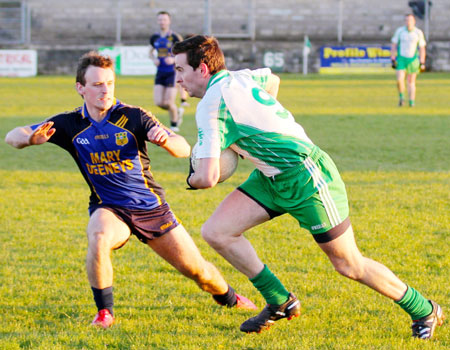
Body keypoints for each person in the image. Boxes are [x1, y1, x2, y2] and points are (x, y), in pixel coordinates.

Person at [172, 35, 444, 339]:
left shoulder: (210, 105)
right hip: (270, 175)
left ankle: (424, 308)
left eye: (181, 70)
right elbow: (271, 80)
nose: (178, 79)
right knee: (217, 231)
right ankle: (279, 300)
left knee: (348, 263)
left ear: (203, 69)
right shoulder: (242, 76)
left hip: (307, 175)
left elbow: (207, 178)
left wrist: (191, 177)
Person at [4, 51, 257, 329]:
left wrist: (167, 142)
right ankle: (104, 313)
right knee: (98, 235)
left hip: (151, 208)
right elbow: (11, 136)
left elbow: (183, 147)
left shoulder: (133, 116)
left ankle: (228, 298)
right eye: (98, 84)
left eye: (110, 83)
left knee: (197, 272)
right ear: (81, 88)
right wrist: (30, 137)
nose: (105, 90)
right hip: (110, 208)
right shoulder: (69, 124)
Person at [149, 11, 185, 131]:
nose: (162, 22)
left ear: (169, 21)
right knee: (159, 102)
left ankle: (174, 124)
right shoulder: (155, 37)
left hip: (172, 73)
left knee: (169, 102)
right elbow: (150, 52)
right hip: (160, 72)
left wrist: (174, 59)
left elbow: (183, 54)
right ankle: (177, 111)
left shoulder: (175, 37)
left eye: (164, 19)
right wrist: (154, 59)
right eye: (160, 19)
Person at [390, 13, 426, 107]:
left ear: (414, 21)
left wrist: (422, 62)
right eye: (406, 20)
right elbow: (394, 45)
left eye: (410, 20)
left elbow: (422, 48)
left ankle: (411, 101)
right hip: (401, 58)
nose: (408, 22)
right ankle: (401, 98)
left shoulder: (418, 33)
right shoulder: (400, 31)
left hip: (413, 60)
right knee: (399, 80)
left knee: (411, 82)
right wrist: (393, 58)